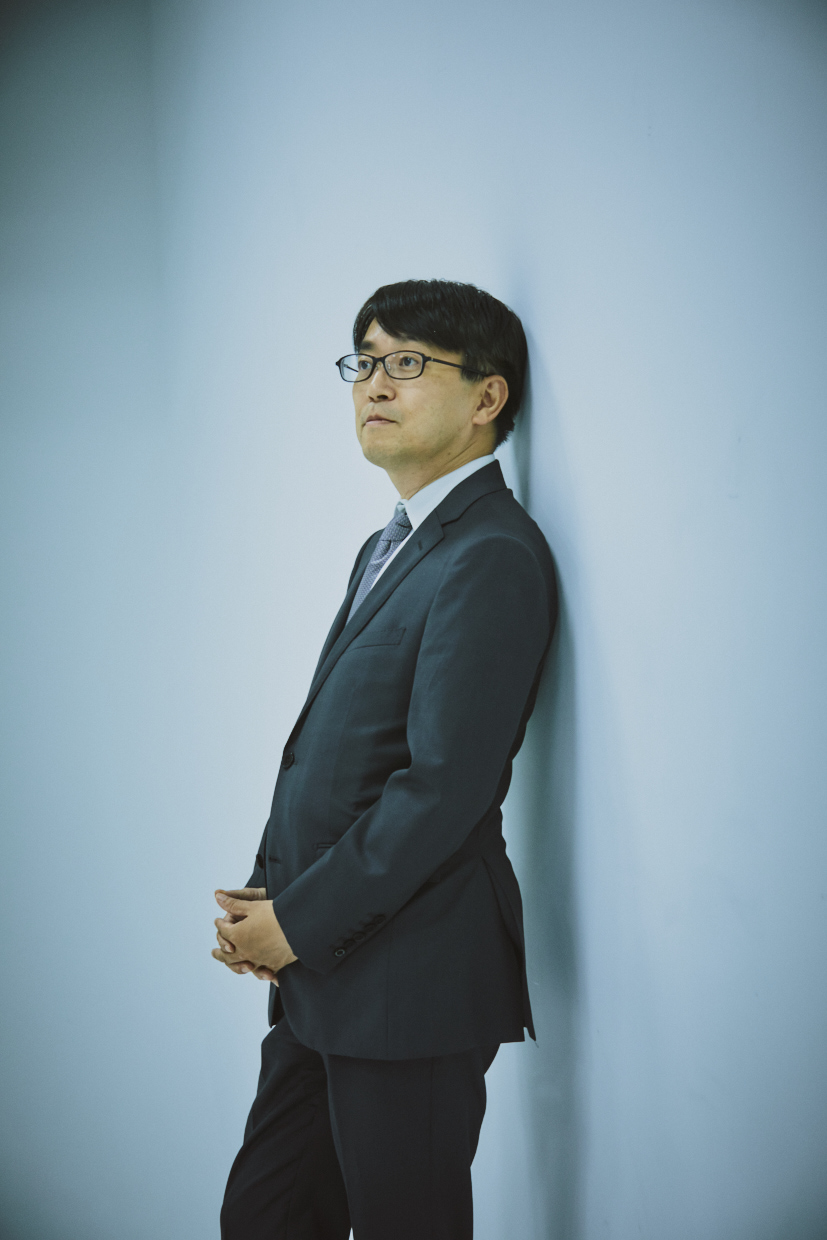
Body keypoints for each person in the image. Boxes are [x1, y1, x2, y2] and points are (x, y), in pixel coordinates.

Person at [211, 279, 558, 1240]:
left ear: (487, 396)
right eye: (363, 363)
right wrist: (267, 900)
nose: (374, 384)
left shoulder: (490, 552)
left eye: (406, 362)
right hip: (322, 968)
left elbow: (442, 788)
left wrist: (298, 922)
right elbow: (332, 748)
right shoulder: (392, 543)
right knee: (265, 1216)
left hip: (412, 978)